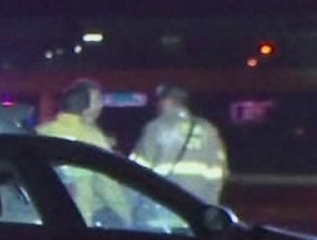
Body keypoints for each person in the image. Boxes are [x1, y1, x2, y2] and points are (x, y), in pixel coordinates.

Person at [36, 79, 131, 226]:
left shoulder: (42, 131)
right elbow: (107, 183)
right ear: (84, 105)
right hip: (79, 221)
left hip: (46, 219)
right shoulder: (91, 137)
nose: (101, 105)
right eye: (97, 100)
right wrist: (127, 216)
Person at [131, 84, 229, 206]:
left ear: (167, 102)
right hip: (198, 206)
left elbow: (137, 170)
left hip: (164, 204)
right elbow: (220, 171)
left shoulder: (156, 127)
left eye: (159, 102)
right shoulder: (209, 129)